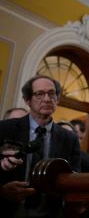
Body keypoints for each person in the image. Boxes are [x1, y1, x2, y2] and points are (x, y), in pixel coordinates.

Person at [0, 75, 81, 217]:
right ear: (27, 100)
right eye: (39, 94)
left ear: (58, 99)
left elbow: (74, 176)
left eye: (51, 93)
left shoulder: (70, 138)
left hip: (50, 211)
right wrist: (1, 190)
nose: (47, 99)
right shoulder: (5, 129)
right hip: (7, 207)